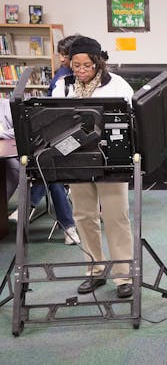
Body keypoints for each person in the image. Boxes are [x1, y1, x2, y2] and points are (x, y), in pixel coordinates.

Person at [52, 35, 136, 298]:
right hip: (77, 160)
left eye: (86, 65)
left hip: (111, 160)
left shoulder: (118, 86)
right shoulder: (63, 87)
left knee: (116, 216)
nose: (80, 71)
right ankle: (95, 269)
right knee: (84, 216)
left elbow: (131, 121)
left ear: (98, 63)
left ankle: (123, 275)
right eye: (75, 65)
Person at [10, 34, 80, 244]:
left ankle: (29, 205)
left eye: (63, 55)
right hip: (56, 141)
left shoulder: (68, 78)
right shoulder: (62, 76)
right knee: (51, 173)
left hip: (72, 144)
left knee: (47, 168)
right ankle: (68, 227)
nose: (60, 59)